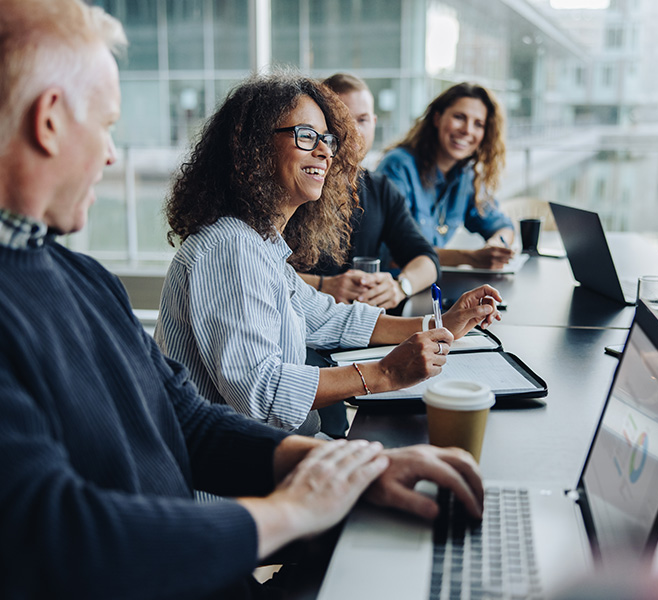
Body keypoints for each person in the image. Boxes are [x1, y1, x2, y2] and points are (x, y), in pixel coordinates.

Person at [0, 2, 486, 598]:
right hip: (188, 550)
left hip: (200, 543)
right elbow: (60, 536)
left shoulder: (80, 276)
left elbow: (189, 419)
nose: (111, 155)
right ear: (50, 120)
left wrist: (344, 469)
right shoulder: (223, 250)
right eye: (106, 125)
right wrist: (298, 507)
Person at [154, 73, 503, 436]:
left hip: (274, 452)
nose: (324, 151)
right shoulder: (230, 248)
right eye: (306, 136)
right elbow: (262, 394)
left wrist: (441, 324)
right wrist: (386, 373)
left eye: (327, 139)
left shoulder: (259, 243)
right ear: (253, 147)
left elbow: (331, 320)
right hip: (234, 481)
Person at [297, 73, 439, 310]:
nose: (352, 131)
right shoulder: (299, 185)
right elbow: (262, 269)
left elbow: (427, 259)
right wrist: (323, 285)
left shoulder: (380, 189)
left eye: (361, 120)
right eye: (340, 120)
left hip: (364, 330)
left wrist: (400, 286)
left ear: (374, 123)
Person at [376, 82, 516, 270]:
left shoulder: (466, 175)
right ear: (437, 118)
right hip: (393, 288)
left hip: (431, 284)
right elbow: (394, 255)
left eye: (478, 124)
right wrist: (470, 257)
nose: (467, 130)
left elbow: (502, 226)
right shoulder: (398, 166)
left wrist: (497, 245)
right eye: (459, 117)